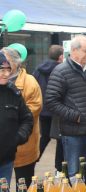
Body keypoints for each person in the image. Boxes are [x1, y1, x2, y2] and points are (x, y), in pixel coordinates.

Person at [45, 35, 86, 179]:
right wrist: (75, 116)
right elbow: (51, 101)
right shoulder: (61, 71)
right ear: (73, 50)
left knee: (84, 170)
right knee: (73, 173)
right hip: (72, 133)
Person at [2, 47, 43, 188]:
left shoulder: (29, 82)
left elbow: (33, 110)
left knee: (23, 182)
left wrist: (15, 134)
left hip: (24, 146)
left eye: (6, 61)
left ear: (14, 63)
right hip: (4, 151)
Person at [0, 52, 33, 184]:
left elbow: (27, 118)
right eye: (2, 70)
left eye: (8, 70)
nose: (6, 74)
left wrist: (18, 137)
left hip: (6, 160)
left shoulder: (14, 93)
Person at [33, 45, 64, 172]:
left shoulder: (38, 69)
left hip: (43, 110)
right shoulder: (61, 69)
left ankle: (34, 159)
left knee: (44, 137)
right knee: (60, 139)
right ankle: (59, 168)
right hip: (56, 110)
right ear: (61, 56)